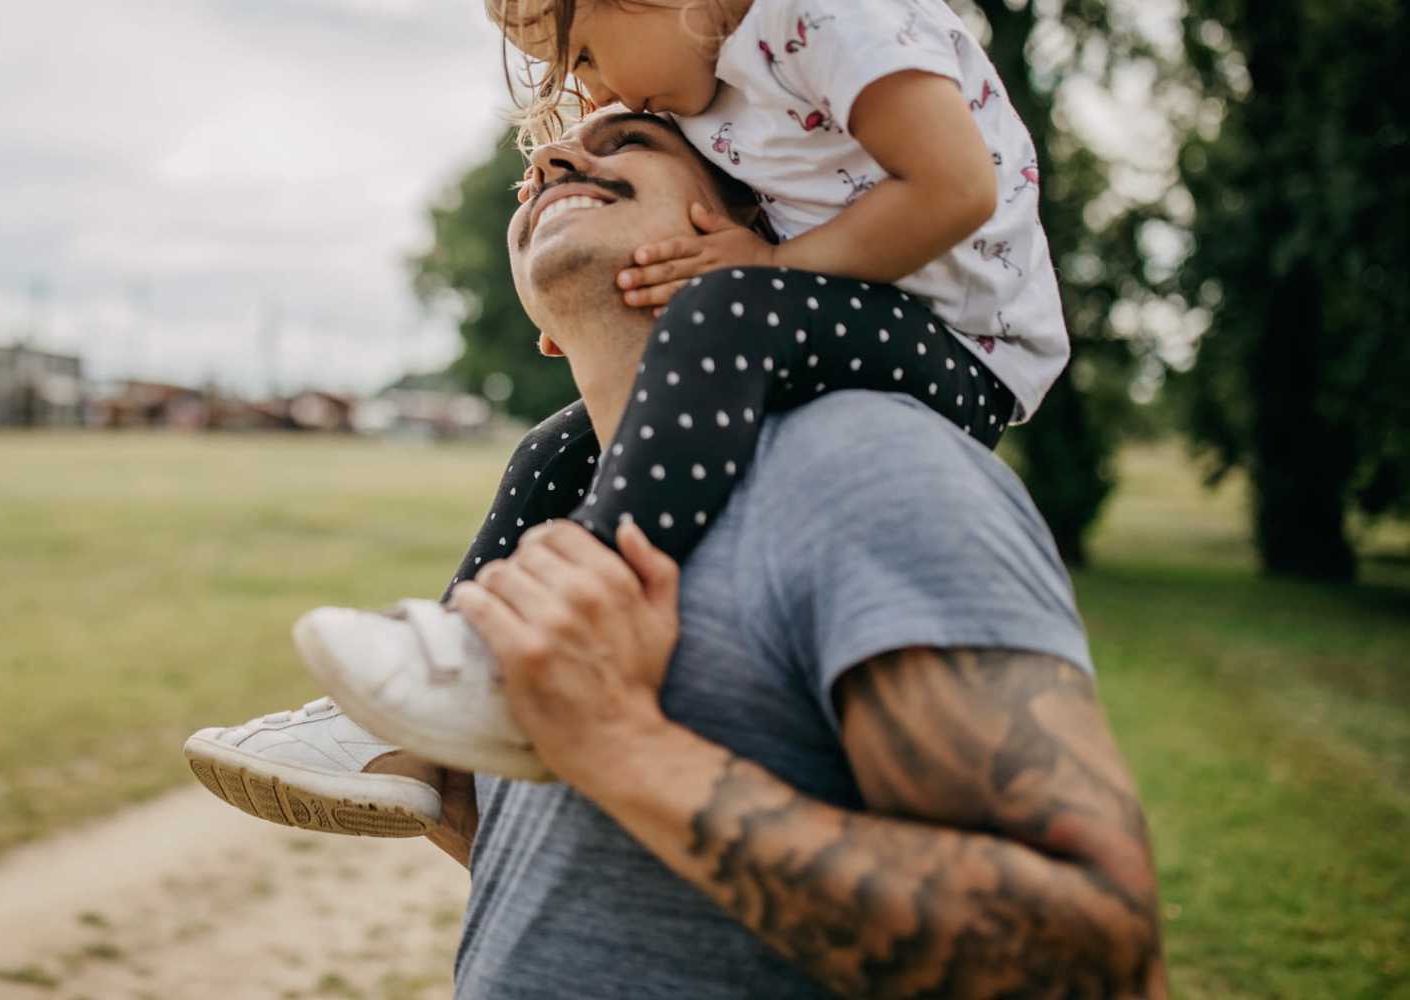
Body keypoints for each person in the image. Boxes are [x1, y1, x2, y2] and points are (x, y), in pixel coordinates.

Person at [211, 107, 1167, 997]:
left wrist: (622, 746)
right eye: (530, 179)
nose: (552, 161)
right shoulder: (555, 512)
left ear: (752, 220)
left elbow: (1097, 957)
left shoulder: (869, 466)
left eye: (629, 141)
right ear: (542, 333)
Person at [186, 0, 1071, 811]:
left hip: (963, 344)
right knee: (549, 451)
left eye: (584, 56)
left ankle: (560, 632)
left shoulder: (830, 14)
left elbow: (956, 188)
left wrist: (763, 270)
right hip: (845, 316)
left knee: (733, 306)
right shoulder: (725, 88)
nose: (594, 96)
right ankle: (435, 707)